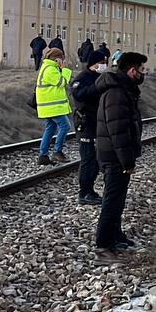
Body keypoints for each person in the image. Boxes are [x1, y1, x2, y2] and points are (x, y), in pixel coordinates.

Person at [94, 51, 149, 255]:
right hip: (114, 155)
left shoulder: (122, 89)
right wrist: (127, 161)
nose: (143, 74)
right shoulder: (117, 93)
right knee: (113, 198)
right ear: (132, 70)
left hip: (113, 153)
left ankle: (115, 235)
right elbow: (118, 130)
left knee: (118, 197)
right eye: (141, 70)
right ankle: (105, 240)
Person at [69, 51, 107, 205]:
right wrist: (96, 87)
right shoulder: (82, 79)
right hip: (85, 124)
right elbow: (79, 94)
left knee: (96, 160)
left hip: (97, 123)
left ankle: (90, 190)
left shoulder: (99, 77)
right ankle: (84, 192)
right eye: (102, 62)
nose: (104, 65)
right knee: (87, 159)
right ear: (94, 63)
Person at [35, 47, 73, 165]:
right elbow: (61, 82)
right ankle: (57, 152)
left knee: (50, 128)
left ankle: (43, 155)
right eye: (62, 59)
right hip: (52, 106)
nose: (63, 61)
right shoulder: (50, 69)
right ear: (57, 59)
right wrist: (66, 70)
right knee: (65, 126)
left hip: (49, 106)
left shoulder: (48, 67)